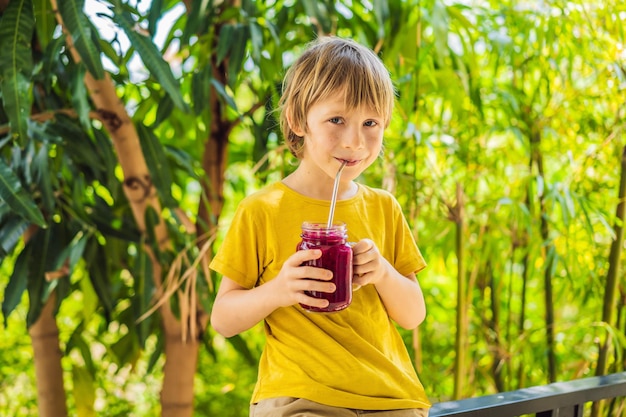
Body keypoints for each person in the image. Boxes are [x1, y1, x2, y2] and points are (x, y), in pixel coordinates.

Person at [209, 36, 430, 417]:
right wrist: (278, 290)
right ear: (298, 120)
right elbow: (223, 319)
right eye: (336, 120)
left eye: (371, 122)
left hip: (391, 398)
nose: (355, 141)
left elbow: (412, 316)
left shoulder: (383, 207)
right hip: (300, 399)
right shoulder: (262, 210)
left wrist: (382, 272)